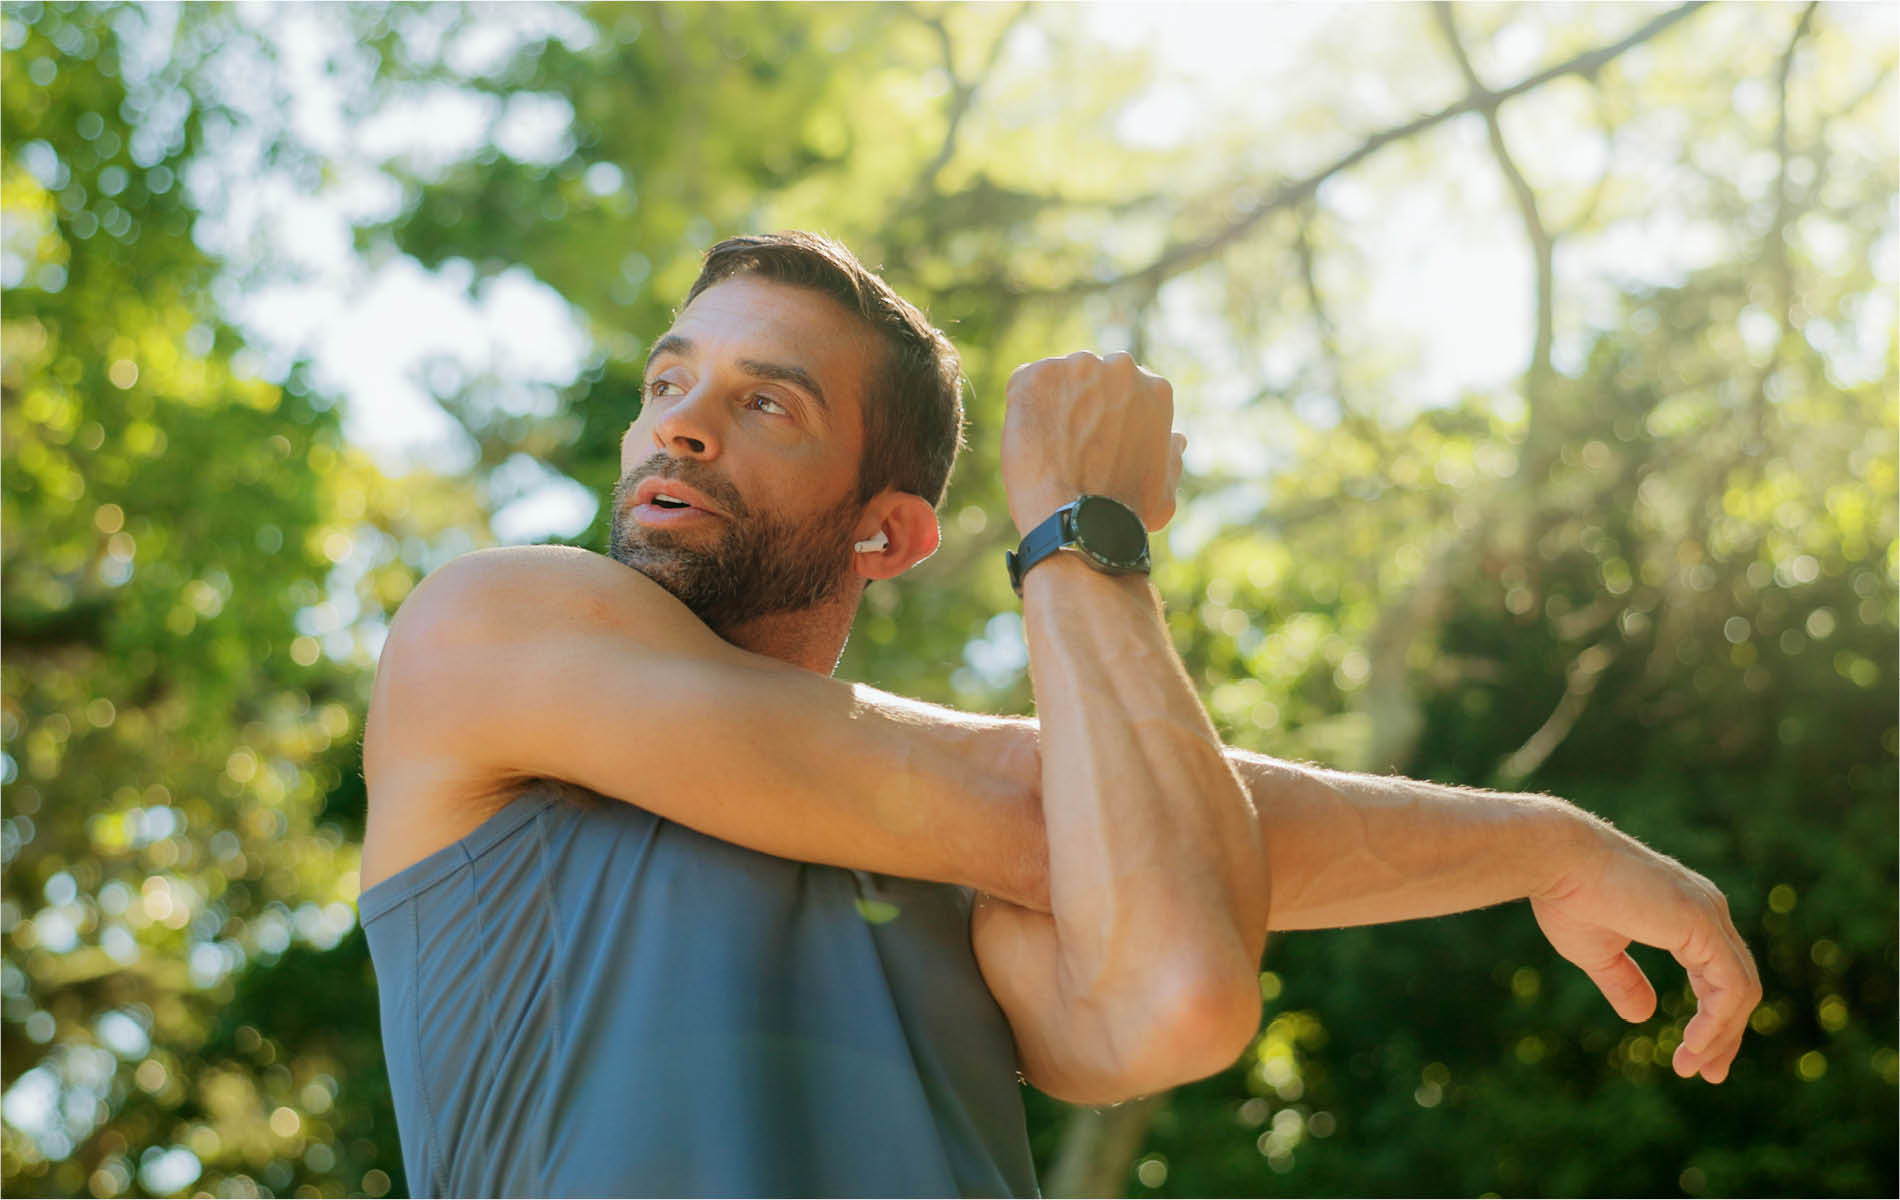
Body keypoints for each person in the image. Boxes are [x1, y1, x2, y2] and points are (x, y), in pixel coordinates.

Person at [359, 231, 1760, 1198]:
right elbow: (1057, 802)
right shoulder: (493, 631)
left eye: (764, 402)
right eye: (669, 383)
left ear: (889, 535)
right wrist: (1085, 529)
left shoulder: (974, 875)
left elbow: (1180, 980)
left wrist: (1552, 843)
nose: (678, 423)